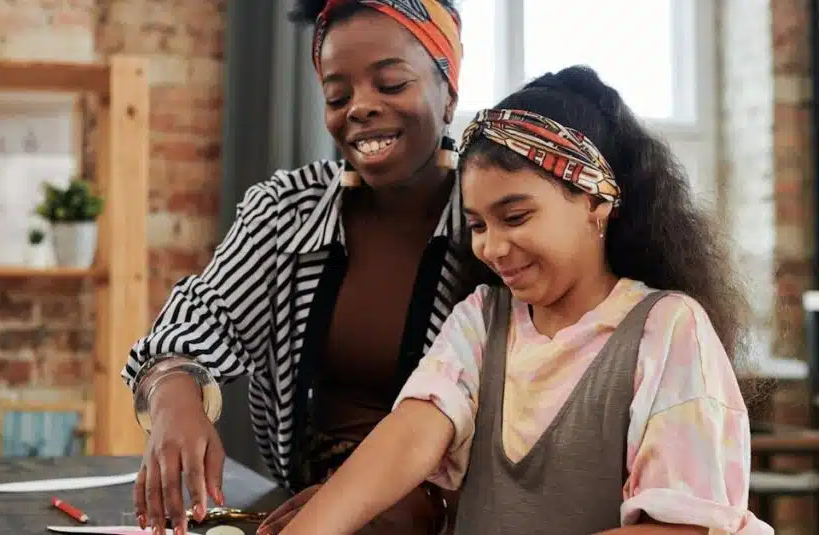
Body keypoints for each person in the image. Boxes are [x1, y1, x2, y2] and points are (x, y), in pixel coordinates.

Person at [270, 65, 774, 535]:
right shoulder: (482, 320)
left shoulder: (667, 329)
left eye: (515, 218)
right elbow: (411, 433)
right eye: (477, 225)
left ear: (596, 201)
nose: (490, 247)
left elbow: (682, 527)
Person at [122, 1, 480, 534]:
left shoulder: (491, 221)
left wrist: (381, 501)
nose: (360, 107)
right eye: (338, 95)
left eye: (391, 83)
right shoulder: (286, 209)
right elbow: (196, 321)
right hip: (298, 515)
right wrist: (174, 393)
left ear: (449, 92)